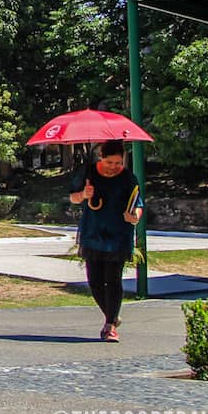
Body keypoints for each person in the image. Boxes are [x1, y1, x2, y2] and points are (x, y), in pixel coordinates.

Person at [68, 139, 143, 342]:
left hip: (118, 234)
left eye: (118, 163)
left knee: (113, 279)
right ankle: (113, 315)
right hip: (93, 234)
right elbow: (72, 197)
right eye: (110, 162)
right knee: (95, 281)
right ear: (101, 157)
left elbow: (138, 203)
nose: (113, 167)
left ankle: (109, 325)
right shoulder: (88, 172)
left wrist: (134, 216)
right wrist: (83, 194)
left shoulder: (128, 178)